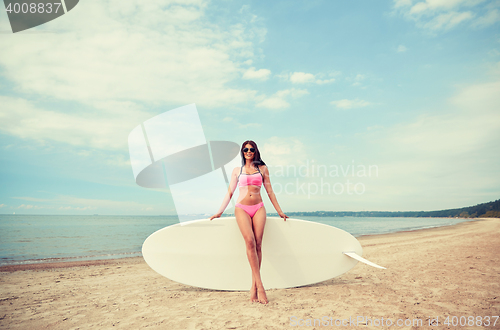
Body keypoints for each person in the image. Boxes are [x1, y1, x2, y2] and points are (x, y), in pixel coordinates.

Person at [210, 140, 288, 304]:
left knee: (259, 244)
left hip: (259, 208)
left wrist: (280, 211)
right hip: (242, 209)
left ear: (256, 151)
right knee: (250, 242)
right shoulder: (237, 171)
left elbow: (270, 191)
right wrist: (220, 211)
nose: (248, 151)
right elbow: (230, 192)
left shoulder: (263, 169)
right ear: (242, 152)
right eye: (245, 149)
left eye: (251, 149)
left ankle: (253, 287)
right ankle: (260, 286)